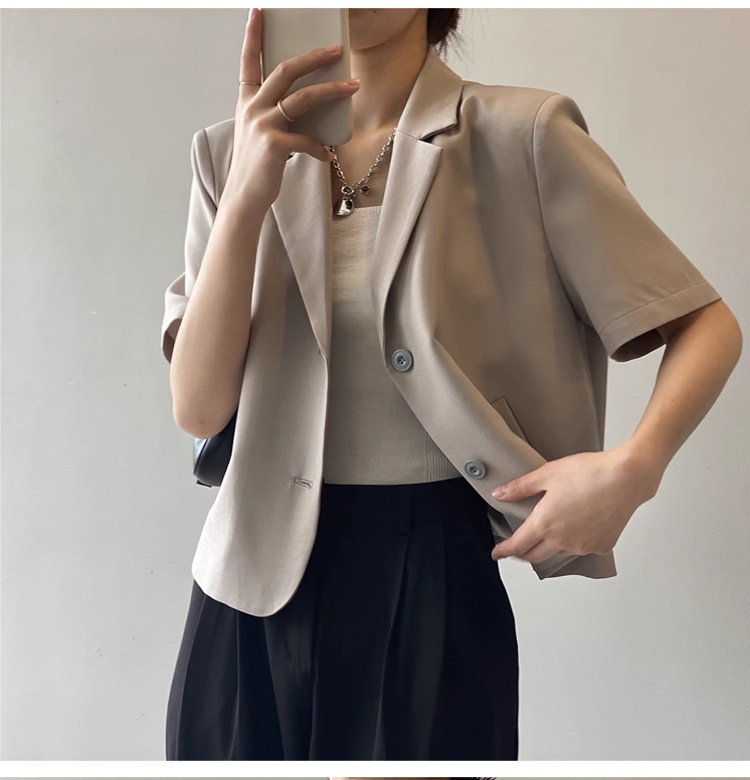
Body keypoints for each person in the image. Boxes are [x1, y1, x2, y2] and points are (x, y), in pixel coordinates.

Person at [160, 8, 742, 761]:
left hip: (428, 577)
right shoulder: (226, 152)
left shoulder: (521, 134)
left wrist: (635, 470)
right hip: (243, 583)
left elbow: (705, 323)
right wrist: (244, 194)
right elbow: (198, 407)